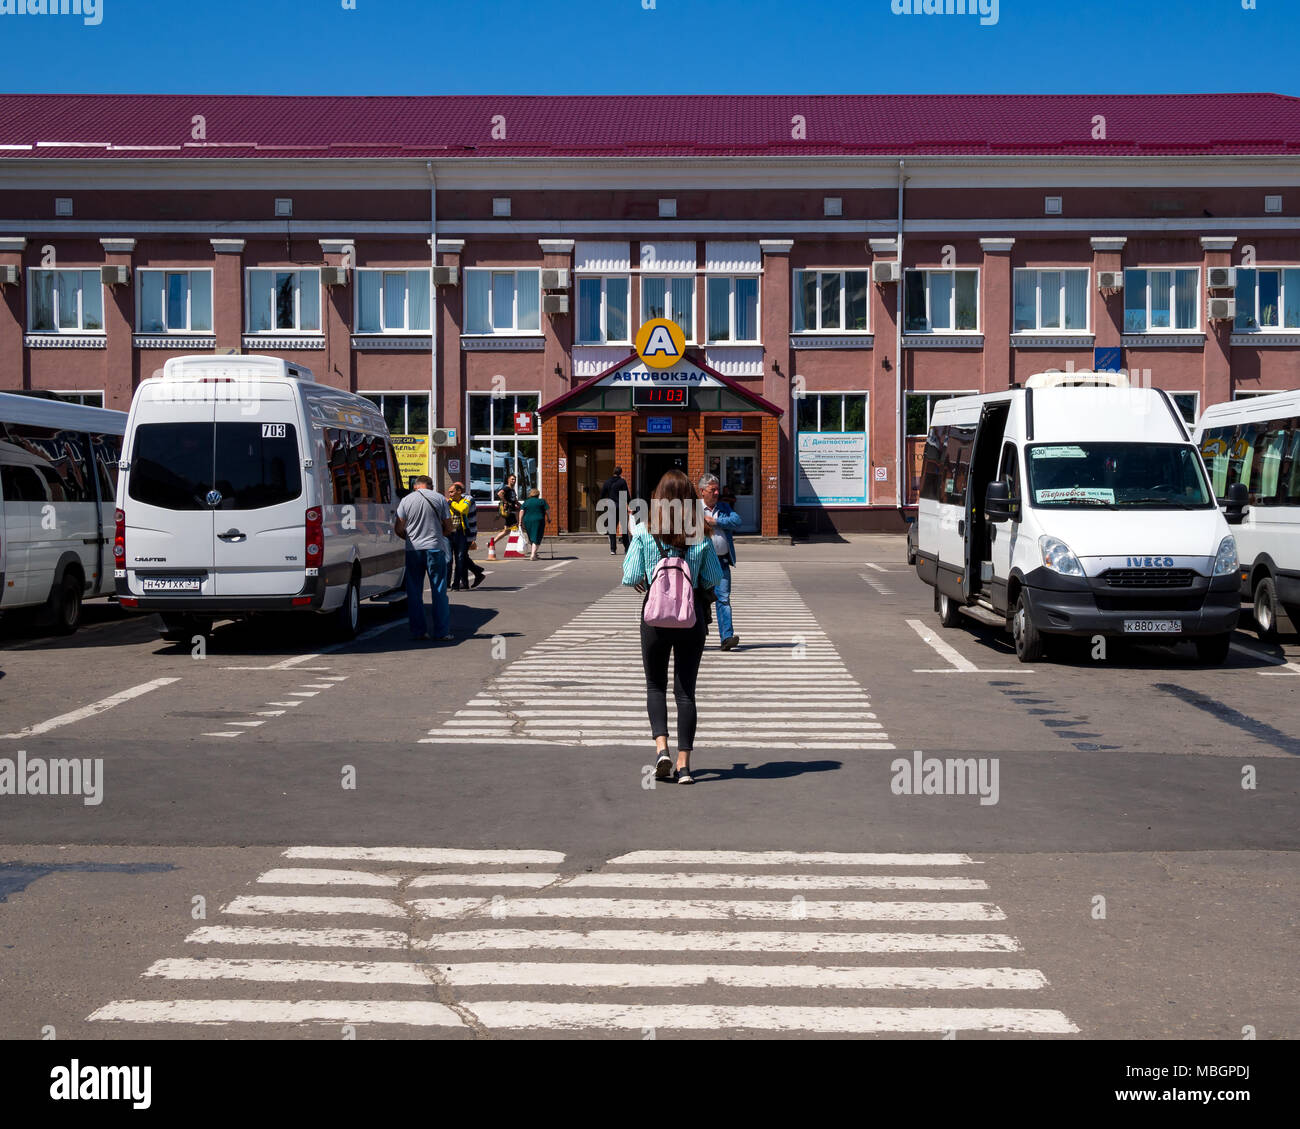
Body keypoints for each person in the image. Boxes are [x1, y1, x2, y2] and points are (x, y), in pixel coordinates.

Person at [622, 469, 722, 785]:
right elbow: (714, 579)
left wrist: (648, 582)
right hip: (690, 618)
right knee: (686, 692)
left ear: (658, 499)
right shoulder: (700, 533)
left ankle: (661, 750)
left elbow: (629, 576)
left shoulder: (643, 531)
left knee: (655, 686)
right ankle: (685, 766)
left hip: (654, 618)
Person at [394, 474, 453, 642]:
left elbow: (398, 528)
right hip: (435, 548)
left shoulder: (406, 500)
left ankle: (419, 631)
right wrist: (437, 535)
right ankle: (442, 632)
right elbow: (449, 527)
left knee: (414, 591)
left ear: (416, 486)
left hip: (413, 550)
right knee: (439, 589)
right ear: (431, 486)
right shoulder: (440, 499)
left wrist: (410, 539)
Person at [699, 472, 742, 651]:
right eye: (712, 490)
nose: (716, 493)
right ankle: (698, 637)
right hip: (700, 563)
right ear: (702, 491)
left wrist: (714, 521)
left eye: (717, 489)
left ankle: (727, 637)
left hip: (722, 562)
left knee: (723, 599)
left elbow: (736, 521)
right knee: (698, 600)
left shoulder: (724, 507)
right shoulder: (693, 509)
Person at [447, 481, 486, 591]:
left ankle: (476, 573)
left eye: (452, 491)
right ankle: (472, 576)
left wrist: (450, 502)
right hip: (459, 532)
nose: (450, 494)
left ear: (460, 490)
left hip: (468, 532)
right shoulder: (456, 499)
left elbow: (462, 510)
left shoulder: (468, 499)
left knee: (461, 557)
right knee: (462, 557)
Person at [599, 466, 631, 554]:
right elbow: (626, 495)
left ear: (613, 472)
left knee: (612, 529)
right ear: (621, 472)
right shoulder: (622, 482)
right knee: (624, 529)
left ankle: (613, 549)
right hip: (621, 507)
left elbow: (602, 495)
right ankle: (627, 548)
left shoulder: (607, 482)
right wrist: (629, 503)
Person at [487, 473, 520, 555]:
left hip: (512, 511)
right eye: (512, 479)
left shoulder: (512, 490)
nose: (514, 481)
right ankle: (516, 548)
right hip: (509, 512)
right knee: (515, 528)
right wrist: (506, 502)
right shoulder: (507, 488)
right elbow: (499, 493)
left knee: (506, 531)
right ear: (508, 480)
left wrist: (522, 506)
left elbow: (515, 500)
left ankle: (492, 543)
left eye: (515, 479)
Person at [520, 487, 550, 561]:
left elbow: (521, 511)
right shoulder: (542, 501)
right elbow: (547, 510)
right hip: (538, 520)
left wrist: (520, 521)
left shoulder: (526, 502)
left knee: (531, 537)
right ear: (538, 494)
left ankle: (534, 553)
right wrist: (549, 518)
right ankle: (533, 554)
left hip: (527, 520)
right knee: (537, 537)